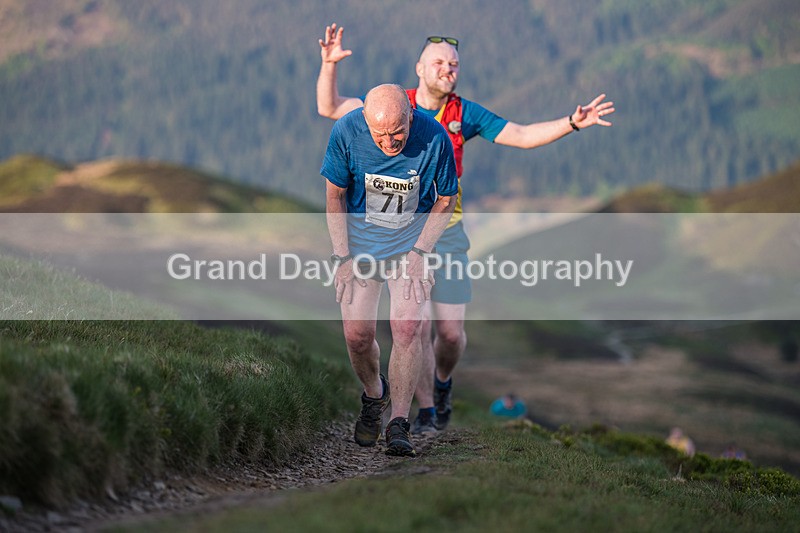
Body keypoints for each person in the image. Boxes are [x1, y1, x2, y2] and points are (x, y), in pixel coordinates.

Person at [317, 24, 616, 435]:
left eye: (454, 64)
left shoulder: (464, 115)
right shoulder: (389, 105)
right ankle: (418, 414)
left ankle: (439, 388)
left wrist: (572, 122)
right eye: (439, 62)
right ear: (419, 68)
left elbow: (523, 136)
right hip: (389, 234)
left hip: (447, 229)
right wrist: (329, 66)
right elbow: (332, 107)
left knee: (451, 336)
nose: (448, 69)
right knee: (411, 327)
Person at [321, 84, 458, 456]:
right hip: (361, 245)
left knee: (408, 326)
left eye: (397, 132)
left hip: (409, 244)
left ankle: (399, 423)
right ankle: (373, 395)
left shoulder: (435, 137)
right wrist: (341, 256)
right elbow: (334, 194)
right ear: (365, 120)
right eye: (380, 134)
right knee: (357, 336)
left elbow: (446, 198)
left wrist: (421, 251)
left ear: (411, 115)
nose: (389, 141)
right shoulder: (346, 131)